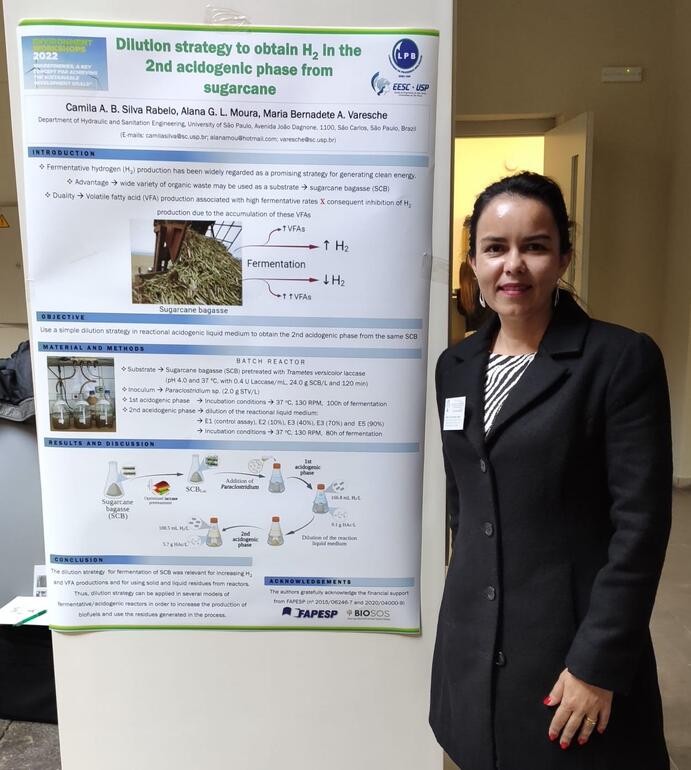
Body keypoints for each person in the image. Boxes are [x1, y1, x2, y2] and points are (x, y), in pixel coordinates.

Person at [430, 171, 672, 770]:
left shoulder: (618, 360)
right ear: (474, 261)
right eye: (495, 248)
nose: (513, 265)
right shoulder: (455, 365)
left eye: (534, 246)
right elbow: (466, 498)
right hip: (473, 640)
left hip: (569, 648)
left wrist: (598, 662)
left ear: (563, 256)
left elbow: (640, 528)